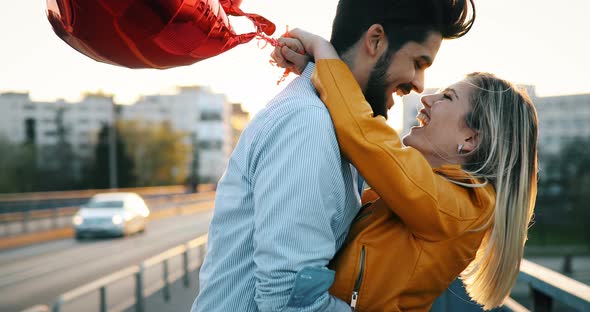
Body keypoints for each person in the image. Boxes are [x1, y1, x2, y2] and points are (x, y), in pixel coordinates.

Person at [191, 0, 476, 311]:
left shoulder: (337, 130)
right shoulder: (310, 125)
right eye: (419, 62)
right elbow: (289, 301)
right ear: (376, 40)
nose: (420, 85)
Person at [273, 29, 538, 311]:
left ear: (470, 139)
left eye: (447, 97)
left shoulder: (457, 210)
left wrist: (322, 50)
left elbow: (366, 138)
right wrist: (315, 73)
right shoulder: (430, 196)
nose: (427, 99)